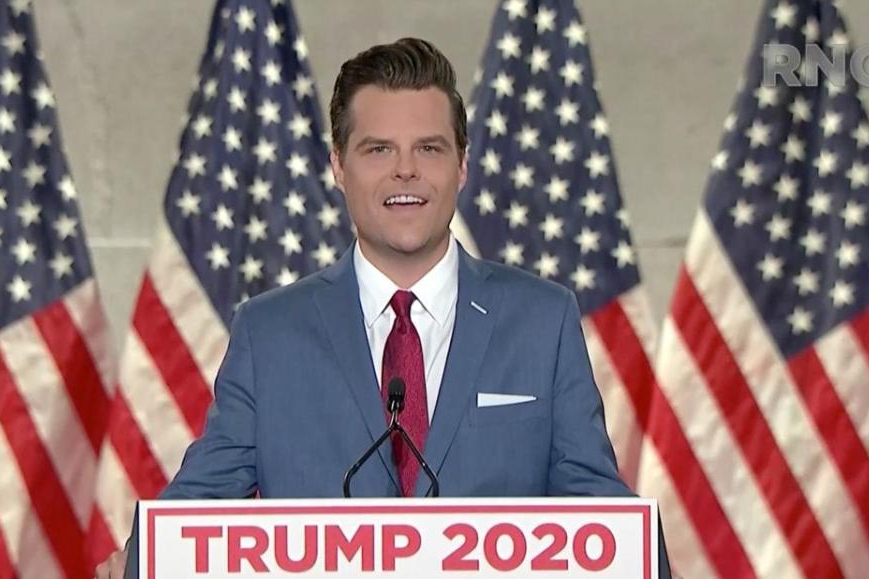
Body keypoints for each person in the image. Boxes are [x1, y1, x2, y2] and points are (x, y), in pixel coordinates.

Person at [96, 37, 671, 578]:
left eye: (429, 148)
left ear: (462, 166)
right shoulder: (269, 334)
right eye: (378, 150)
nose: (406, 171)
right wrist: (141, 562)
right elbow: (200, 504)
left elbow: (599, 518)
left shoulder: (542, 321)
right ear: (338, 167)